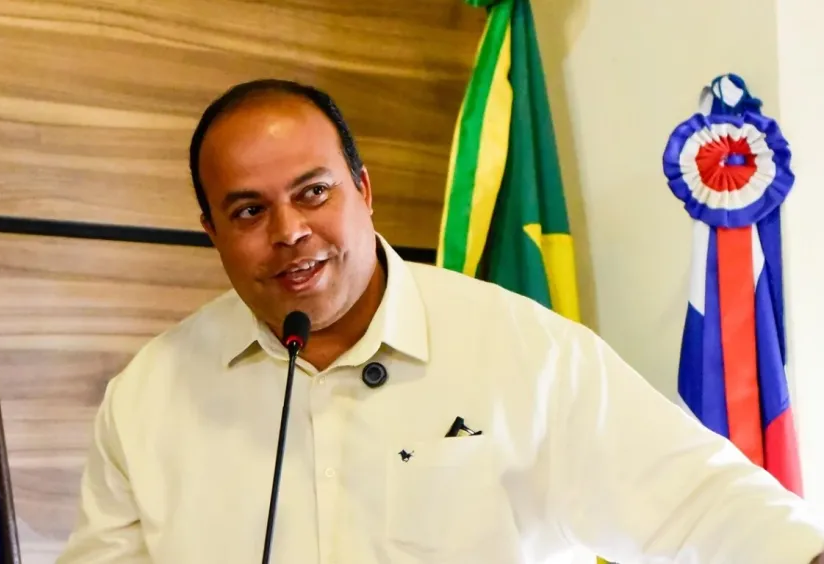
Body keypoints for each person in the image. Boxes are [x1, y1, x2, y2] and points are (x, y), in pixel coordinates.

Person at [56, 79, 824, 564]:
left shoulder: (522, 350)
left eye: (314, 192)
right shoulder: (148, 396)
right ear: (212, 231)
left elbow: (701, 504)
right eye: (250, 211)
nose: (289, 231)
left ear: (363, 191)